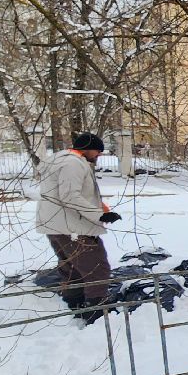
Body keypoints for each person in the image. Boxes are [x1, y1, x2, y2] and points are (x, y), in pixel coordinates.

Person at [35, 133, 121, 318]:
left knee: (71, 269)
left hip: (58, 225)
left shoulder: (60, 161)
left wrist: (102, 209)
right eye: (97, 150)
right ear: (87, 147)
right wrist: (99, 216)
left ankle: (75, 304)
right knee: (96, 267)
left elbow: (72, 194)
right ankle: (97, 311)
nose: (98, 154)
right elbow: (70, 196)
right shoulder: (72, 164)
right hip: (72, 227)